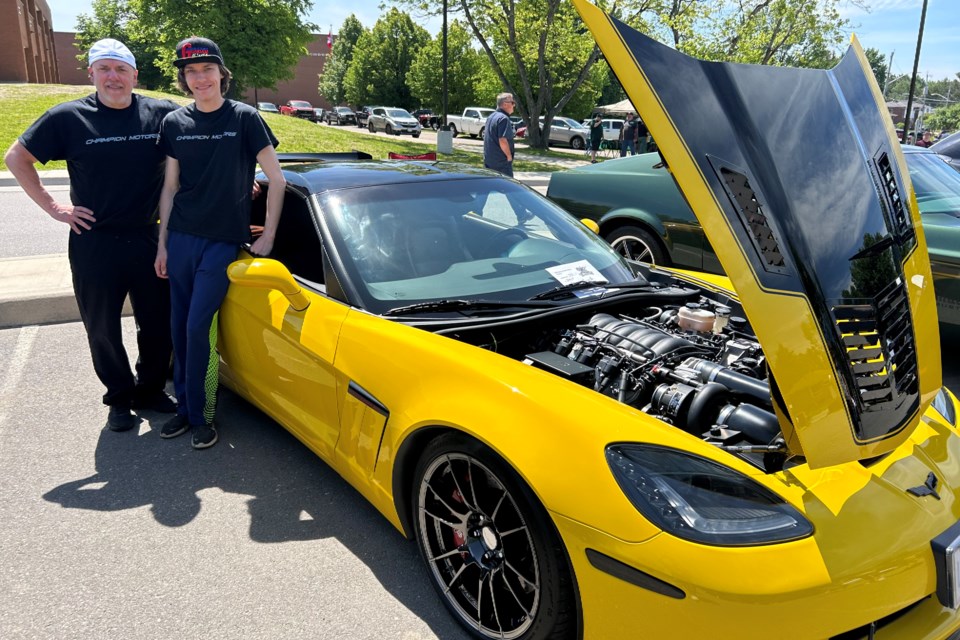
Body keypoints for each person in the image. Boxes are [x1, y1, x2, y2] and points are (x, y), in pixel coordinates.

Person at [4, 39, 178, 433]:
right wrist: (56, 208)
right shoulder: (67, 118)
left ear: (135, 75)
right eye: (105, 69)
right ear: (92, 74)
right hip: (93, 239)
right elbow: (16, 158)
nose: (113, 77)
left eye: (121, 69)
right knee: (101, 325)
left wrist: (244, 178)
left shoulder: (162, 113)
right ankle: (118, 398)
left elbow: (203, 140)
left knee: (157, 323)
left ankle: (149, 389)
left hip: (148, 237)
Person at [154, 37, 286, 449]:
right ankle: (183, 410)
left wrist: (267, 235)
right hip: (180, 239)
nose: (200, 78)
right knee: (177, 326)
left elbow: (277, 181)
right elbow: (170, 187)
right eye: (191, 72)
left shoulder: (245, 118)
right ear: (184, 79)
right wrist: (162, 244)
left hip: (220, 243)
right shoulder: (174, 123)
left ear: (222, 74)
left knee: (198, 328)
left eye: (207, 69)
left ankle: (203, 416)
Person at [483, 93, 517, 177]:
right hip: (501, 163)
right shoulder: (503, 119)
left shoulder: (491, 117)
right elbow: (502, 140)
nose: (514, 105)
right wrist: (509, 157)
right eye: (512, 103)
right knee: (508, 188)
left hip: (489, 161)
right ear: (505, 104)